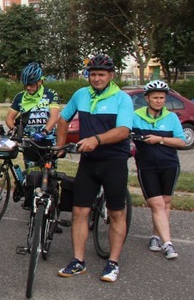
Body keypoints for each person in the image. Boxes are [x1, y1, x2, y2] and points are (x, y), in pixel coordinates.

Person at [54, 53, 134, 282]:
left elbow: (123, 131)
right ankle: (78, 261)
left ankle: (113, 262)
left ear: (111, 75)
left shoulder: (121, 98)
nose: (96, 78)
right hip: (88, 162)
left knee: (117, 212)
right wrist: (60, 145)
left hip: (114, 161)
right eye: (92, 74)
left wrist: (96, 140)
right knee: (80, 211)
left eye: (101, 74)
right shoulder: (81, 95)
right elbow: (62, 119)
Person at [132, 80, 186, 260]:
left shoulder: (171, 118)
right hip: (146, 166)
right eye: (155, 97)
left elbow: (181, 141)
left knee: (165, 202)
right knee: (156, 204)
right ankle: (168, 244)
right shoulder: (136, 116)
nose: (159, 101)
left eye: (162, 98)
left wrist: (159, 139)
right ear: (147, 98)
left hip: (169, 164)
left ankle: (156, 237)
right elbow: (126, 134)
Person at [5, 62, 60, 168]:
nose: (28, 88)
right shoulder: (20, 97)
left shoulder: (51, 94)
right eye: (26, 85)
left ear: (40, 81)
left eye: (31, 85)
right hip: (29, 142)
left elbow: (54, 117)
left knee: (49, 177)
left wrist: (44, 132)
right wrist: (14, 130)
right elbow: (9, 118)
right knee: (31, 177)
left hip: (48, 141)